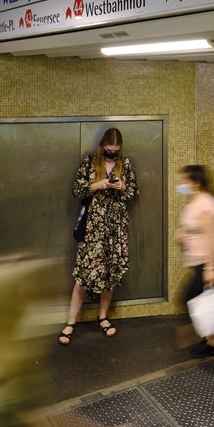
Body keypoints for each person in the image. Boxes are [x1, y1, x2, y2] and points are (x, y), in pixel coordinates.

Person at [60, 128, 139, 345]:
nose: (112, 153)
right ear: (102, 146)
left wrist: (123, 186)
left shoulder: (125, 164)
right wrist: (97, 185)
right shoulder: (90, 162)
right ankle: (71, 321)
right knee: (84, 274)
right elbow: (77, 191)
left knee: (111, 273)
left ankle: (102, 317)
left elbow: (134, 192)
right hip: (93, 227)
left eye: (116, 150)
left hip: (116, 227)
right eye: (109, 149)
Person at [175, 165, 214, 358]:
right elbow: (194, 227)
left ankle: (208, 340)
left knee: (190, 298)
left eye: (185, 181)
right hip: (200, 260)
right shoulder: (194, 201)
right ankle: (210, 342)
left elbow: (212, 236)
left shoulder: (206, 203)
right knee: (201, 301)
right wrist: (183, 234)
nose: (181, 185)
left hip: (209, 260)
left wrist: (211, 267)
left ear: (196, 183)